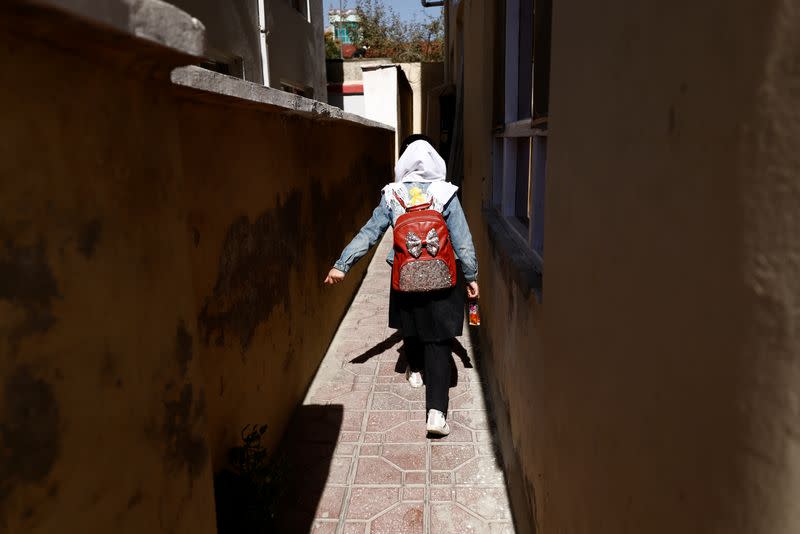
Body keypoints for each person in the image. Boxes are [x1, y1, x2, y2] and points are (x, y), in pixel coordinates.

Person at [324, 135, 479, 436]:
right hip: (443, 279)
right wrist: (471, 277)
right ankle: (436, 414)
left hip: (405, 276)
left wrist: (342, 265)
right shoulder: (447, 194)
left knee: (410, 324)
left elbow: (369, 232)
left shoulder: (392, 195)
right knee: (438, 341)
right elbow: (463, 242)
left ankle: (415, 371)